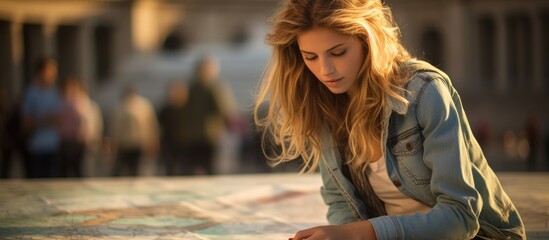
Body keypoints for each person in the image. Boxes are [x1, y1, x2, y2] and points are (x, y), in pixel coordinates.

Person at [253, 0, 526, 239]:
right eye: (310, 57)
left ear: (367, 40)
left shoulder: (424, 92)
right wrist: (344, 235)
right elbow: (340, 202)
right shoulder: (323, 104)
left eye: (338, 52)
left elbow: (461, 216)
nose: (325, 70)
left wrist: (365, 233)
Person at [183, 56, 237, 175]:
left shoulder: (191, 87)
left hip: (193, 134)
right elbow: (224, 109)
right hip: (210, 133)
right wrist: (229, 126)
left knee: (195, 165)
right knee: (211, 165)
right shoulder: (215, 87)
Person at [22, 57, 61, 178]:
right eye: (50, 71)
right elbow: (26, 122)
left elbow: (58, 118)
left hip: (53, 146)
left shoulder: (54, 92)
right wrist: (45, 120)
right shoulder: (31, 93)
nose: (53, 75)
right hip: (36, 147)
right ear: (41, 71)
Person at [110, 85, 159, 176]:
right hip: (131, 142)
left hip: (132, 142)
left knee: (133, 167)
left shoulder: (122, 106)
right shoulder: (141, 106)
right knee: (131, 167)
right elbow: (151, 125)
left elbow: (151, 125)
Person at [158, 81, 189, 175]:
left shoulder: (187, 109)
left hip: (185, 142)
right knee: (170, 167)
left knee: (184, 168)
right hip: (168, 142)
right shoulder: (165, 109)